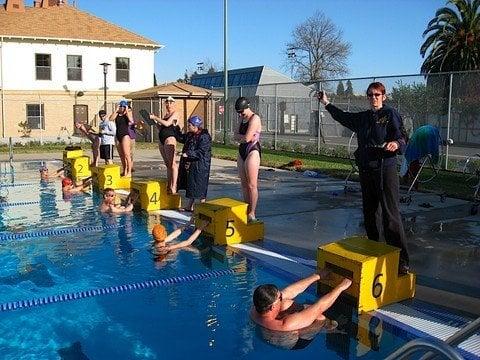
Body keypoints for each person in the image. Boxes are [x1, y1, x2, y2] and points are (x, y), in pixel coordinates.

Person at [318, 82, 410, 274]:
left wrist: (395, 143)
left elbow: (403, 138)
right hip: (366, 168)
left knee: (390, 216)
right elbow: (343, 117)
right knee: (370, 213)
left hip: (385, 168)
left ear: (384, 96)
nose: (373, 98)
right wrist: (327, 103)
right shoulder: (364, 117)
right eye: (370, 95)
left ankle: (401, 259)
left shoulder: (390, 114)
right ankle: (374, 249)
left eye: (377, 94)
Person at [251, 272, 352, 332]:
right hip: (295, 342)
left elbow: (289, 292)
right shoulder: (286, 324)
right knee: (319, 317)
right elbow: (319, 307)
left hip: (269, 326)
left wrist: (317, 276)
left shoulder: (256, 309)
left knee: (286, 303)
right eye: (280, 297)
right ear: (272, 307)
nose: (282, 296)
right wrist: (341, 287)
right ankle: (331, 330)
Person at [234, 97, 262, 222]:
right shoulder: (241, 118)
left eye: (241, 111)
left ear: (247, 107)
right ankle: (246, 210)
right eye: (239, 112)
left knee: (252, 185)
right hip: (242, 151)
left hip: (252, 151)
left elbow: (247, 138)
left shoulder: (255, 118)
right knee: (244, 184)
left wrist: (243, 138)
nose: (240, 114)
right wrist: (243, 137)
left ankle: (252, 212)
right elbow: (235, 136)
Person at [177, 115, 212, 212]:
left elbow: (201, 152)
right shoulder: (191, 135)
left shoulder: (204, 137)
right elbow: (181, 138)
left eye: (189, 125)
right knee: (191, 184)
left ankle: (203, 207)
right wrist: (175, 128)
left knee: (200, 185)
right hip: (193, 163)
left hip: (201, 165)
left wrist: (188, 154)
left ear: (195, 126)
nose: (188, 127)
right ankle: (189, 206)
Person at [149, 96, 180, 194]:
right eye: (167, 102)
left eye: (171, 102)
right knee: (167, 164)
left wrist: (155, 117)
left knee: (172, 164)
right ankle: (169, 184)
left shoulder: (175, 113)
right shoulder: (166, 114)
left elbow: (167, 124)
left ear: (174, 104)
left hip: (169, 139)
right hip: (162, 139)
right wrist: (155, 122)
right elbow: (161, 127)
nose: (169, 104)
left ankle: (174, 186)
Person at [110, 100, 134, 177]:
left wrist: (126, 111)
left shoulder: (128, 113)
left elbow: (131, 120)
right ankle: (125, 170)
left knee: (127, 155)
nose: (122, 108)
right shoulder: (117, 114)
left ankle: (129, 171)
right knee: (122, 155)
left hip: (125, 135)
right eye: (121, 106)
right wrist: (116, 110)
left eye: (123, 107)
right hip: (118, 135)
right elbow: (111, 119)